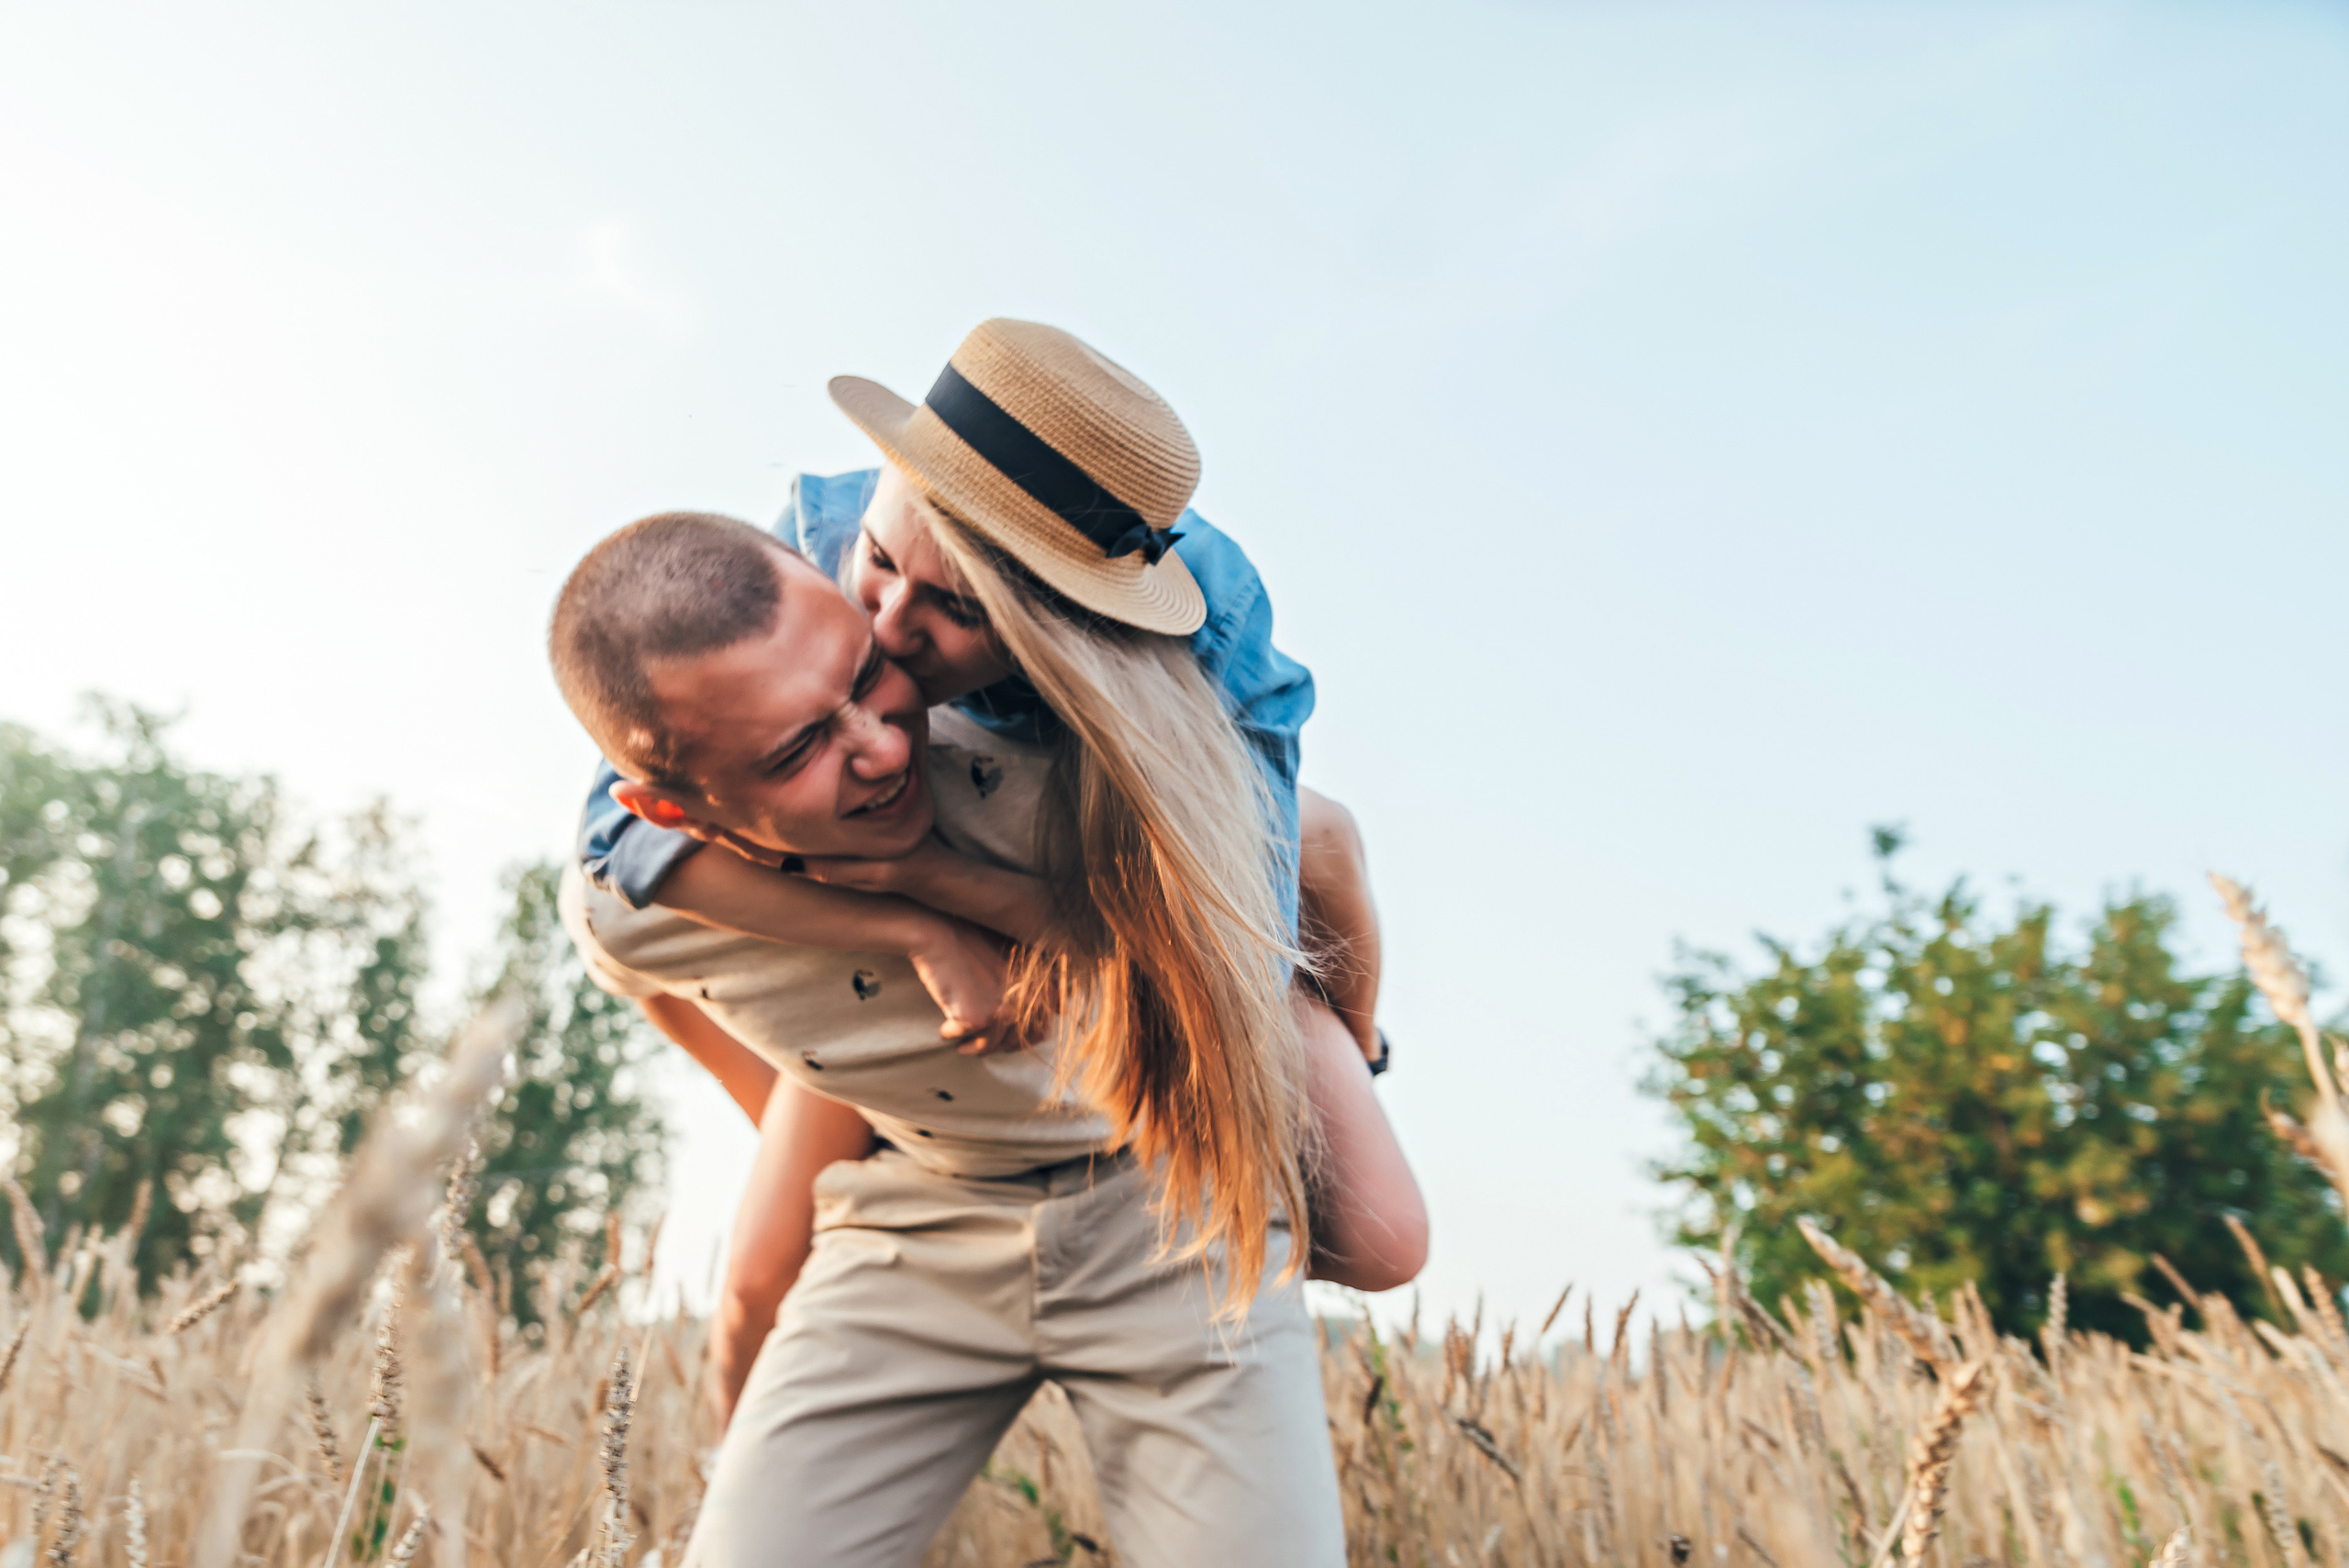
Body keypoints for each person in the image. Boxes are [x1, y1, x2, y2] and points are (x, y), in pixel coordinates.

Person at [551, 321, 1420, 1567]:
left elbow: (1216, 944)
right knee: (753, 1289)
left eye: (939, 621)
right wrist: (825, 1051)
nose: (891, 662)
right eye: (876, 578)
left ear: (1057, 624)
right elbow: (619, 872)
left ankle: (1346, 1021)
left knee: (1385, 1234)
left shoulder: (1183, 677)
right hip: (915, 1197)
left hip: (1160, 1166)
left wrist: (920, 872)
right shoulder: (803, 564)